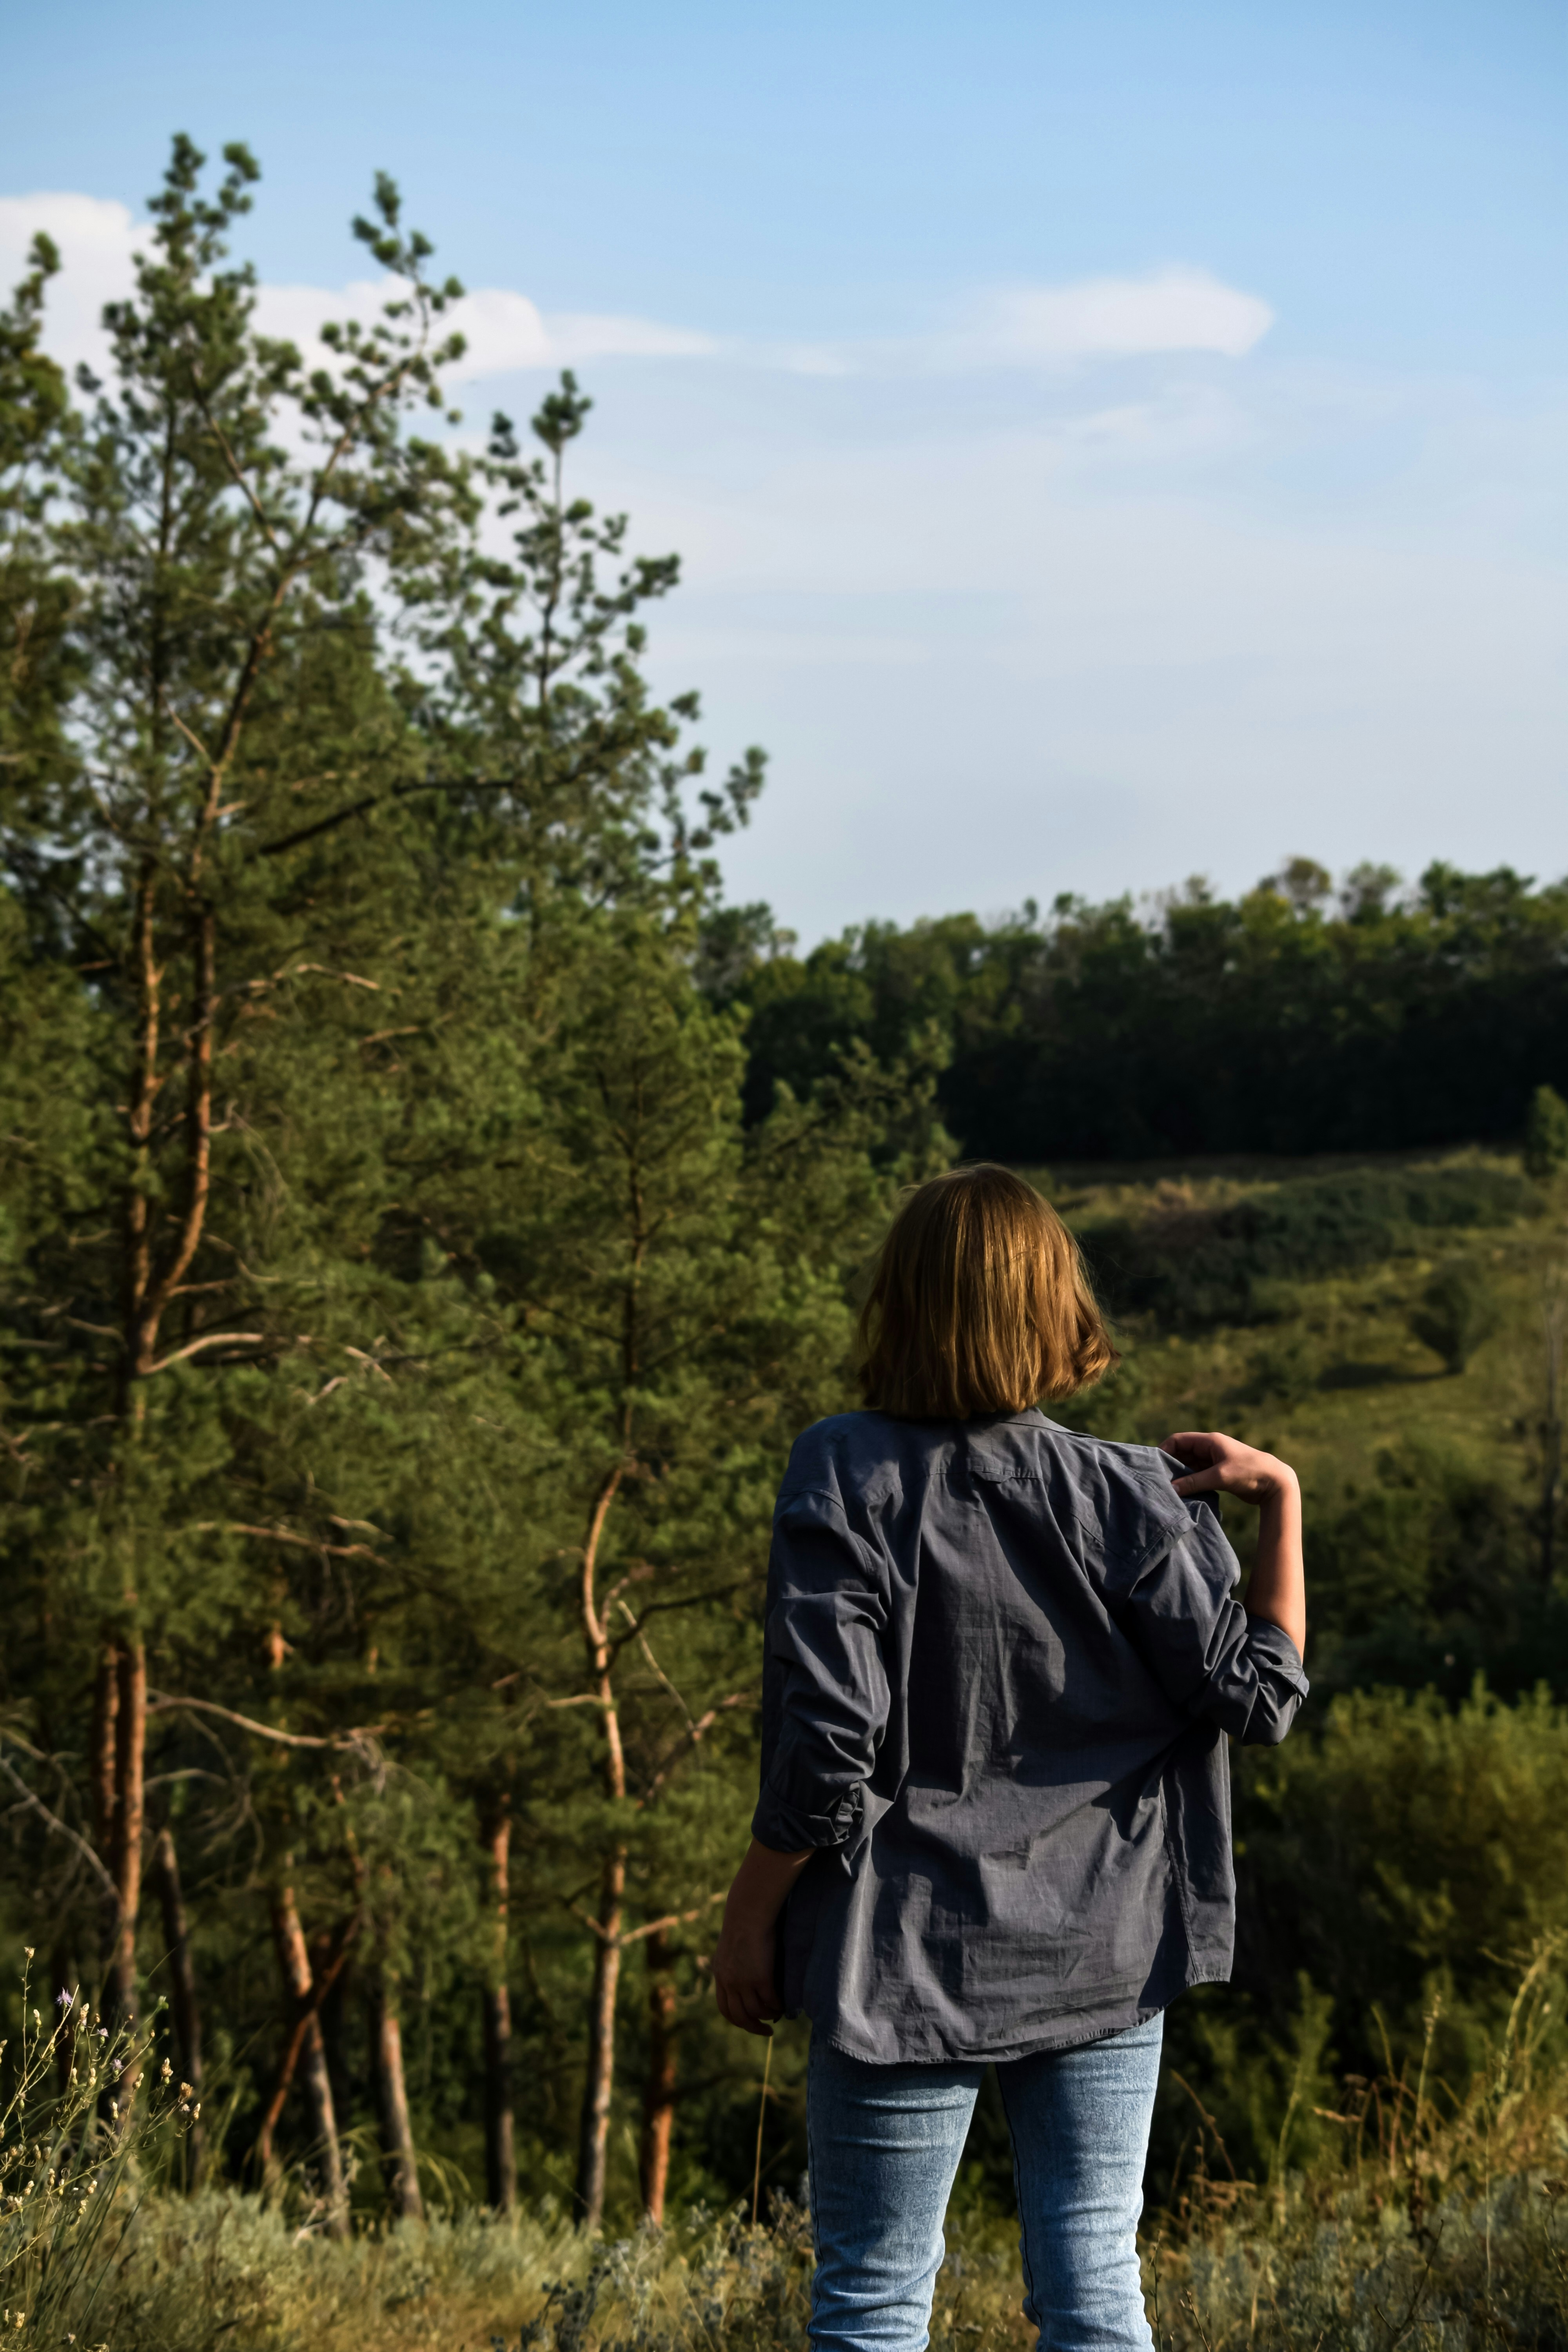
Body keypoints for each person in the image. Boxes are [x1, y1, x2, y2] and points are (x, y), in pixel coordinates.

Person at [712, 1163, 1307, 2352]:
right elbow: (1262, 1695)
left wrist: (751, 1911)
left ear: (904, 1303)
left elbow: (835, 1739)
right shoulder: (1135, 1492)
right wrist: (1283, 1499)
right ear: (1054, 1309)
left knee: (876, 2304)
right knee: (1093, 2284)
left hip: (900, 1953)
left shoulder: (845, 1470)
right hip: (1106, 1945)